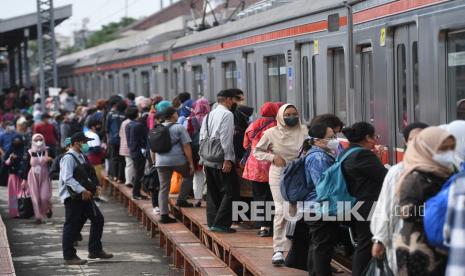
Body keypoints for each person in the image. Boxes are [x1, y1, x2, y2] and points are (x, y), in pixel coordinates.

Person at [395, 127, 455, 276]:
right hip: (418, 248)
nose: (448, 153)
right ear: (427, 149)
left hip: (439, 243)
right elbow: (405, 211)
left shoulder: (441, 172)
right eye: (442, 148)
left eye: (451, 148)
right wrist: (439, 209)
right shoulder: (415, 178)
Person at [370, 122, 428, 272]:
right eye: (413, 138)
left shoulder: (440, 169)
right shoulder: (398, 171)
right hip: (401, 237)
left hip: (431, 239)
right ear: (406, 142)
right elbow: (386, 207)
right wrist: (380, 239)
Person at [254, 104, 307, 265]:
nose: (291, 117)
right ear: (280, 116)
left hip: (300, 174)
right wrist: (272, 158)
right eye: (288, 114)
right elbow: (257, 151)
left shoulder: (305, 131)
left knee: (295, 210)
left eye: (294, 114)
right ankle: (278, 249)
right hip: (279, 174)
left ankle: (293, 248)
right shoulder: (271, 133)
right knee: (281, 210)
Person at [339, 122, 388, 276]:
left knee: (363, 243)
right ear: (368, 137)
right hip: (367, 207)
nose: (376, 140)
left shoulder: (347, 152)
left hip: (356, 204)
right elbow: (383, 177)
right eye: (375, 137)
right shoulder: (363, 154)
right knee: (366, 245)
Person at [59, 132, 113, 265]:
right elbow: (67, 178)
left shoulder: (81, 156)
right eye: (84, 142)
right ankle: (69, 256)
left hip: (85, 195)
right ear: (76, 143)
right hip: (73, 197)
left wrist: (95, 187)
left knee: (98, 219)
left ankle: (95, 250)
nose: (86, 145)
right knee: (71, 225)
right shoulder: (69, 158)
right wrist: (82, 190)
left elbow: (87, 175)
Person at [301, 123, 340, 275]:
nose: (334, 140)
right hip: (319, 206)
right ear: (317, 140)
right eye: (330, 137)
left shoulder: (320, 154)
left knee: (318, 244)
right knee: (322, 245)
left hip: (316, 205)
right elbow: (322, 186)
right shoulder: (318, 157)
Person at [199, 89, 240, 233]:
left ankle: (212, 222)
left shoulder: (209, 114)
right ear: (228, 99)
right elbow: (226, 138)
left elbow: (202, 137)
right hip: (220, 158)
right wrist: (228, 159)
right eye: (234, 99)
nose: (234, 103)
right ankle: (221, 223)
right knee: (231, 191)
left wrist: (203, 158)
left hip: (208, 158)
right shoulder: (227, 114)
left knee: (212, 191)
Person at [242, 102, 279, 237]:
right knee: (274, 196)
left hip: (255, 166)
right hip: (273, 165)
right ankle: (276, 226)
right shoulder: (277, 125)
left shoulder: (253, 125)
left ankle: (263, 227)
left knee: (259, 197)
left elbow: (245, 144)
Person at [155, 107, 195, 223]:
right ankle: (181, 199)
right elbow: (186, 146)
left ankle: (164, 215)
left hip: (160, 162)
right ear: (173, 115)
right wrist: (191, 163)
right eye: (176, 113)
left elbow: (153, 147)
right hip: (178, 161)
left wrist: (154, 161)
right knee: (188, 175)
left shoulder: (157, 128)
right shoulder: (179, 127)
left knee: (163, 188)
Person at [187, 98, 210, 207]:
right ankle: (208, 196)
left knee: (198, 175)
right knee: (209, 174)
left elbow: (188, 137)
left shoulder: (191, 120)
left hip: (195, 150)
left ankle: (197, 199)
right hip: (209, 149)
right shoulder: (210, 118)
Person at [26, 134, 53, 224]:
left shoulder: (48, 150)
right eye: (36, 140)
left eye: (40, 139)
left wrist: (51, 160)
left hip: (45, 175)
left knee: (44, 197)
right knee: (35, 197)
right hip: (33, 176)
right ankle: (38, 217)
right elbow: (25, 166)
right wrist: (23, 180)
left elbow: (56, 161)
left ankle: (48, 208)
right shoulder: (29, 152)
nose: (38, 142)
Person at [126, 108, 148, 200]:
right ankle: (136, 193)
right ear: (136, 114)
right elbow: (144, 139)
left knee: (137, 172)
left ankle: (137, 192)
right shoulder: (139, 125)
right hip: (139, 151)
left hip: (132, 150)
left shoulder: (128, 125)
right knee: (139, 173)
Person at [3, 135, 28, 218]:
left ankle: (22, 211)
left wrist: (18, 158)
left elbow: (26, 162)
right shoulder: (10, 150)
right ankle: (14, 212)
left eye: (18, 141)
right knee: (13, 195)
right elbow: (5, 163)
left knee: (21, 194)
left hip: (21, 176)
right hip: (12, 176)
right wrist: (10, 158)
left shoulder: (24, 151)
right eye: (15, 141)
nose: (17, 143)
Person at [106, 100, 127, 183]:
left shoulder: (110, 114)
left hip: (112, 139)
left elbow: (107, 129)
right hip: (122, 140)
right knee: (122, 159)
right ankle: (120, 178)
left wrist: (108, 140)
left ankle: (114, 176)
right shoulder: (125, 115)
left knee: (114, 157)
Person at [233, 89, 254, 162]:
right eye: (241, 98)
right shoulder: (238, 109)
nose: (243, 100)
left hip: (239, 136)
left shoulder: (235, 109)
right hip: (241, 136)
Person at [85, 119, 106, 187]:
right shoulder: (94, 135)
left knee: (89, 179)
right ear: (93, 127)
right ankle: (96, 195)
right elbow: (96, 150)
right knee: (96, 179)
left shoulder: (86, 133)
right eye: (98, 126)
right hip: (95, 160)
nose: (99, 127)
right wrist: (103, 149)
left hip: (86, 158)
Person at [119, 108, 136, 187]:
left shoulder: (123, 122)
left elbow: (120, 134)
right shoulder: (134, 123)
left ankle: (128, 180)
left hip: (124, 146)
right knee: (134, 164)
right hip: (132, 146)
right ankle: (131, 180)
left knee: (128, 164)